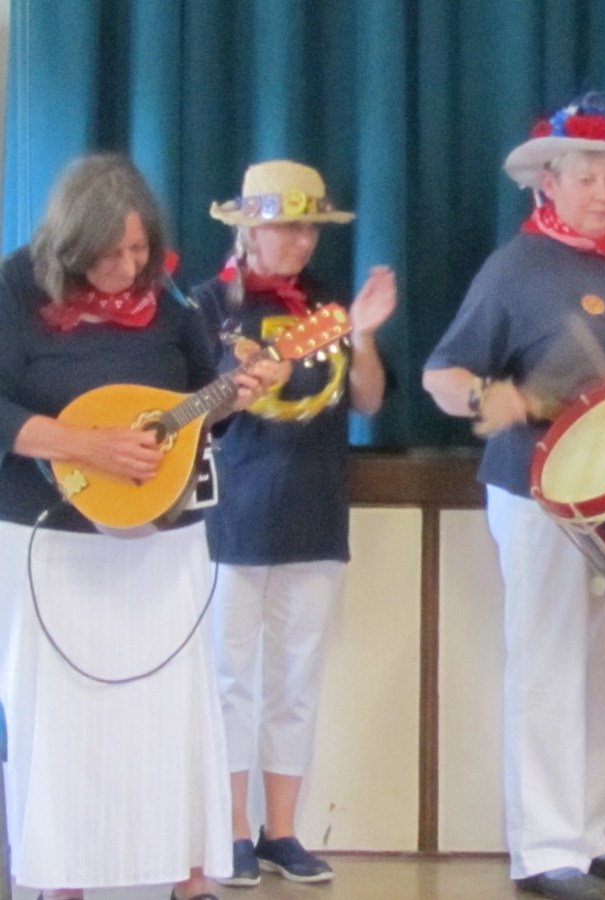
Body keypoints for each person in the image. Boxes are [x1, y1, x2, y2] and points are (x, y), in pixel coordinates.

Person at [423, 91, 605, 900]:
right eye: (587, 178)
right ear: (547, 182)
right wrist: (488, 396)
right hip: (540, 490)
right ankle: (545, 849)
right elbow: (441, 373)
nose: (603, 193)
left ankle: (588, 832)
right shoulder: (514, 269)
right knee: (548, 661)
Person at [0, 154, 279, 900]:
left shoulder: (168, 299)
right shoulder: (13, 287)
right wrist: (83, 444)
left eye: (139, 250)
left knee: (167, 712)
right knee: (65, 721)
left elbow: (198, 402)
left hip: (159, 541)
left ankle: (186, 874)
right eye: (112, 253)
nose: (129, 268)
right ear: (70, 245)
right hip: (51, 543)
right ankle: (63, 879)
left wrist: (238, 393)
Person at [196, 160, 396, 887]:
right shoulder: (207, 305)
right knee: (228, 680)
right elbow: (191, 413)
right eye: (287, 227)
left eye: (311, 228)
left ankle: (280, 831)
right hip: (231, 519)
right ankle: (228, 831)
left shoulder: (329, 306)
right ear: (249, 230)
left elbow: (368, 400)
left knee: (296, 680)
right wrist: (243, 388)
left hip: (313, 511)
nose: (302, 241)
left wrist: (363, 336)